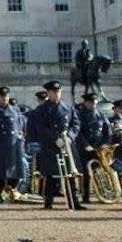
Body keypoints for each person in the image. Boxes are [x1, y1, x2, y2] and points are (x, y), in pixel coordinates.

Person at [27, 81, 85, 210]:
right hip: (50, 146)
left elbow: (75, 124)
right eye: (53, 92)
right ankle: (48, 202)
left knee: (70, 175)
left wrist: (70, 137)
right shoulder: (41, 110)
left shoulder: (68, 108)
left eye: (58, 92)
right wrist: (55, 139)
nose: (56, 94)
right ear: (48, 93)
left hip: (67, 145)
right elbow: (41, 128)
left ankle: (73, 202)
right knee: (50, 175)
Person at [75, 92, 111, 203]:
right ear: (85, 102)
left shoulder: (100, 114)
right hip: (85, 148)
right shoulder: (79, 114)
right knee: (86, 173)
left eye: (95, 102)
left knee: (100, 172)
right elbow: (78, 132)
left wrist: (105, 143)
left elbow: (107, 129)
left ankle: (103, 193)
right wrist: (86, 145)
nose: (93, 105)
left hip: (99, 147)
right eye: (91, 102)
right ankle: (86, 196)